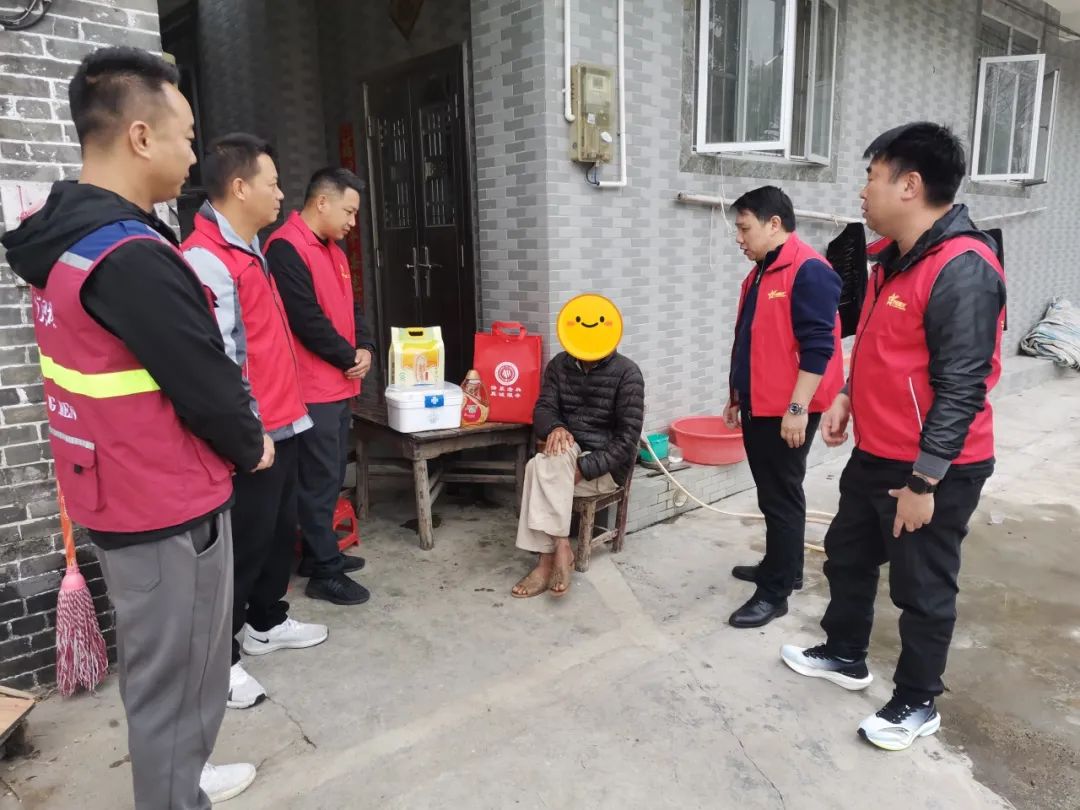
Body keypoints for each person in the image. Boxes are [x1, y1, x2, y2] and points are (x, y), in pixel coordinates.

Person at [1, 48, 268, 809]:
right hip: (166, 505)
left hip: (115, 489)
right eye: (186, 137)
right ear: (141, 136)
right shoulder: (132, 256)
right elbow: (205, 382)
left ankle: (180, 778)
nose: (193, 156)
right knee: (178, 681)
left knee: (164, 679)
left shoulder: (62, 240)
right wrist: (252, 444)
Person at [780, 122, 1007, 752]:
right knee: (847, 555)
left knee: (922, 586)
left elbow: (962, 388)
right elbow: (884, 346)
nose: (862, 192)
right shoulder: (892, 260)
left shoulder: (962, 269)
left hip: (934, 467)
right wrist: (848, 396)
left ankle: (917, 701)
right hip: (877, 452)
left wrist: (924, 482)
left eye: (871, 177)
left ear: (910, 185)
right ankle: (845, 653)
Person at [182, 134, 329, 712]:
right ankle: (219, 663)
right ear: (240, 187)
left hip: (284, 422)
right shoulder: (206, 258)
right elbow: (217, 361)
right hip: (253, 435)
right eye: (273, 183)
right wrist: (247, 434)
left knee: (276, 533)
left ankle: (265, 622)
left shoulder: (251, 249)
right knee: (239, 549)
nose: (281, 194)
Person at [722, 186, 843, 629]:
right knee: (774, 494)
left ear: (774, 224)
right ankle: (784, 567)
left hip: (787, 409)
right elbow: (752, 341)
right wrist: (737, 394)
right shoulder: (761, 272)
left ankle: (774, 594)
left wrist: (797, 408)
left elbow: (819, 346)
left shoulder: (809, 270)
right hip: (761, 401)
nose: (739, 238)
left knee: (781, 497)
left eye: (744, 228)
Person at [266, 168, 374, 606]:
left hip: (339, 386)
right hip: (310, 390)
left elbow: (352, 307)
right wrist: (348, 357)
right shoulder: (286, 248)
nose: (352, 222)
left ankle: (318, 554)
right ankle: (325, 573)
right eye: (349, 211)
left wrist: (365, 346)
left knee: (329, 475)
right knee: (317, 479)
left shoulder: (334, 250)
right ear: (323, 202)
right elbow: (305, 319)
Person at [511, 305, 644, 599]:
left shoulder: (628, 373)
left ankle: (545, 562)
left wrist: (583, 468)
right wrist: (555, 427)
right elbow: (543, 409)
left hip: (604, 468)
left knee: (536, 468)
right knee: (550, 461)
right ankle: (561, 546)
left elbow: (627, 441)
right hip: (567, 452)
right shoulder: (559, 365)